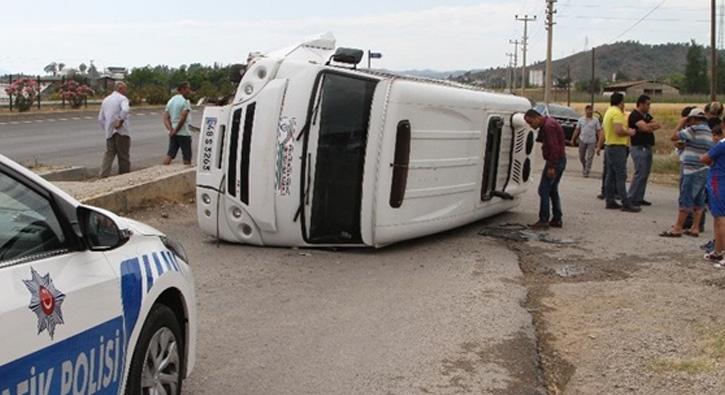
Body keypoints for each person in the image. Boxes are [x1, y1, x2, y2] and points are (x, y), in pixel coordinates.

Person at [660, 108, 713, 237]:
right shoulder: (708, 131)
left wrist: (681, 123)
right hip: (704, 169)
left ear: (693, 119)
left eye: (689, 120)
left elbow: (673, 137)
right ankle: (695, 227)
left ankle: (677, 227)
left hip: (692, 170)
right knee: (699, 201)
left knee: (686, 197)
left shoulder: (693, 130)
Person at [524, 109, 567, 229]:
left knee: (543, 190)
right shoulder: (549, 124)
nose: (531, 126)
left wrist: (552, 166)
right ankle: (557, 218)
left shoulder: (548, 127)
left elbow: (554, 147)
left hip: (554, 161)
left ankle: (544, 220)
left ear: (537, 118)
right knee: (552, 190)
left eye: (530, 122)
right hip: (559, 160)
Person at [602, 92, 640, 212]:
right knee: (620, 175)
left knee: (610, 175)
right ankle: (625, 202)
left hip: (609, 145)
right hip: (617, 146)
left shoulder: (609, 111)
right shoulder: (617, 113)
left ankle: (609, 199)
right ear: (620, 102)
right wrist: (629, 132)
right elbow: (618, 130)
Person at [627, 95, 661, 206]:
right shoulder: (635, 115)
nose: (649, 106)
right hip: (638, 146)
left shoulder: (646, 115)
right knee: (640, 172)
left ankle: (639, 197)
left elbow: (657, 125)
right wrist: (648, 126)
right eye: (647, 104)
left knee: (645, 173)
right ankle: (631, 197)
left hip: (647, 145)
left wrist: (647, 125)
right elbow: (645, 128)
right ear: (640, 104)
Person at [701, 124, 724, 263]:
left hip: (719, 181)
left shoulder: (721, 144)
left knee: (721, 218)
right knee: (717, 218)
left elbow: (705, 158)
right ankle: (718, 250)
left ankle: (720, 250)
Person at [98, 81, 131, 178]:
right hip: (122, 132)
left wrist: (107, 128)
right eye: (125, 88)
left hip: (109, 133)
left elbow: (100, 118)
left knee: (109, 154)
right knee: (123, 156)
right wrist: (120, 121)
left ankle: (103, 175)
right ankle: (124, 177)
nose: (126, 91)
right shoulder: (123, 99)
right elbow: (125, 110)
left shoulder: (106, 100)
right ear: (120, 89)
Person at [163, 81, 193, 165]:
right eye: (188, 88)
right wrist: (176, 130)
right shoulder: (185, 101)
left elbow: (165, 118)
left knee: (170, 154)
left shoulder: (170, 101)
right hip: (184, 133)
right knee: (187, 157)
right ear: (183, 89)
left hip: (173, 134)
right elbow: (183, 117)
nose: (189, 91)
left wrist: (171, 130)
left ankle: (163, 168)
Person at [570, 104, 602, 177]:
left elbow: (599, 131)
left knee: (590, 157)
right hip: (582, 139)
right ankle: (584, 166)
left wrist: (599, 142)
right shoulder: (581, 119)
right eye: (588, 110)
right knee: (581, 156)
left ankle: (587, 171)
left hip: (592, 141)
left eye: (590, 110)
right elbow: (577, 130)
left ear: (592, 111)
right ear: (585, 111)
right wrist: (573, 139)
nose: (589, 112)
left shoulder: (595, 120)